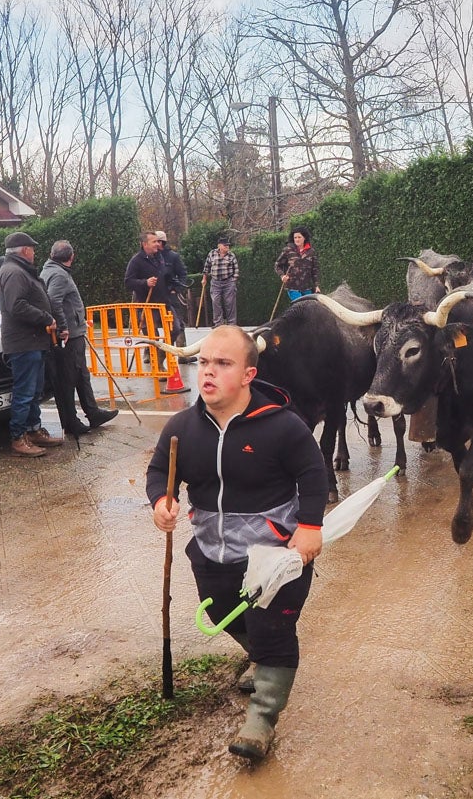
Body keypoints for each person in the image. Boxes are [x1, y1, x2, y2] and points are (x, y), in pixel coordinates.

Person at [146, 325, 328, 761]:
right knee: (227, 614)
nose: (207, 373)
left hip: (276, 556)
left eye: (222, 364)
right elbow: (157, 471)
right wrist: (162, 501)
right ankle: (261, 657)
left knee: (273, 628)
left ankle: (261, 718)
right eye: (203, 362)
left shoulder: (283, 426)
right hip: (212, 551)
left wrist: (310, 526)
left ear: (248, 374)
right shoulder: (182, 428)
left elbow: (313, 472)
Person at [40, 239, 119, 435]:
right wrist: (64, 327)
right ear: (72, 257)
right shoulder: (59, 275)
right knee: (69, 379)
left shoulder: (50, 270)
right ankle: (71, 421)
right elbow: (53, 301)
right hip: (69, 336)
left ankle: (92, 412)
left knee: (81, 375)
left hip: (73, 332)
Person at [0, 231, 64, 456]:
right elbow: (17, 306)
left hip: (34, 341)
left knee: (33, 391)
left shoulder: (19, 270)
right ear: (24, 250)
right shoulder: (14, 272)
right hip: (24, 343)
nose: (34, 253)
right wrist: (46, 318)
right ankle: (18, 438)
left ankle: (34, 430)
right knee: (25, 392)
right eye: (32, 249)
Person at [124, 231, 186, 391]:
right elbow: (128, 281)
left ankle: (159, 360)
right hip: (147, 305)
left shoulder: (160, 258)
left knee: (175, 329)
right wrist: (145, 283)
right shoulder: (136, 261)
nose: (157, 245)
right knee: (153, 337)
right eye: (153, 242)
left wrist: (173, 287)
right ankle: (158, 367)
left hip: (164, 302)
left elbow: (169, 276)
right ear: (144, 244)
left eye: (158, 242)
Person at [155, 231, 191, 350]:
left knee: (178, 323)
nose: (155, 244)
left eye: (157, 241)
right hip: (154, 296)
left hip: (171, 295)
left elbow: (183, 274)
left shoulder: (173, 256)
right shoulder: (149, 257)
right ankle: (150, 352)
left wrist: (176, 289)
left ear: (162, 242)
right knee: (151, 325)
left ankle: (182, 351)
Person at [202, 236, 240, 326]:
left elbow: (236, 269)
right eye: (225, 245)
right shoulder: (212, 254)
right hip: (215, 282)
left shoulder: (231, 255)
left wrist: (233, 281)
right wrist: (204, 279)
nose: (227, 247)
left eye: (228, 245)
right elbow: (206, 267)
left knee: (230, 303)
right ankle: (218, 323)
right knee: (215, 302)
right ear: (219, 246)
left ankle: (232, 324)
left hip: (228, 282)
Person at [275, 227, 319, 302]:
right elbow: (277, 265)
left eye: (299, 237)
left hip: (307, 287)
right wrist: (282, 276)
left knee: (308, 307)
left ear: (304, 238)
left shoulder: (311, 252)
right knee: (300, 305)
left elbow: (314, 270)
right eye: (295, 237)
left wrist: (316, 285)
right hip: (292, 286)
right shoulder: (288, 250)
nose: (297, 239)